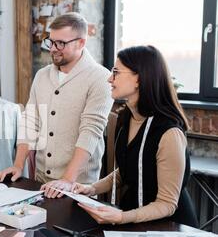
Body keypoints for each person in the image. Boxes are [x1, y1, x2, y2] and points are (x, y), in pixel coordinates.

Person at [70, 45, 198, 227]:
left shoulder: (169, 133)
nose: (109, 79)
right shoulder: (126, 118)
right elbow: (127, 170)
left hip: (167, 228)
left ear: (139, 78)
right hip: (133, 216)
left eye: (116, 72)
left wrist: (121, 217)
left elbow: (167, 204)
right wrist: (91, 188)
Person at [0, 13, 113, 195]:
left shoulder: (101, 78)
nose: (53, 49)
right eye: (51, 41)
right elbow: (30, 120)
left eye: (61, 43)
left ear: (81, 43)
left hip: (77, 185)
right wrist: (18, 165)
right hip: (40, 181)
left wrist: (67, 179)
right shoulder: (42, 75)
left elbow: (91, 132)